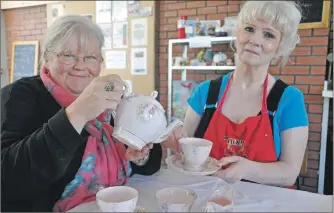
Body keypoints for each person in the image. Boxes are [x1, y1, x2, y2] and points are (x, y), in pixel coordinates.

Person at [1, 15, 162, 212]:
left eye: (90, 57)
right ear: (48, 57)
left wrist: (139, 156)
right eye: (68, 55)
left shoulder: (108, 95)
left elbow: (150, 162)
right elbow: (7, 179)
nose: (80, 65)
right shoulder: (19, 95)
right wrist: (77, 113)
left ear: (100, 62)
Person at [164, 1, 309, 187]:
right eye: (249, 28)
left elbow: (289, 173)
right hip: (209, 198)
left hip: (267, 203)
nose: (255, 40)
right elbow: (185, 152)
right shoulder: (205, 92)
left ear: (280, 47)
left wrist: (247, 169)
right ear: (237, 33)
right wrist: (172, 140)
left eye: (268, 34)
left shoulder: (289, 100)